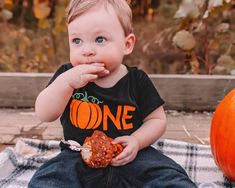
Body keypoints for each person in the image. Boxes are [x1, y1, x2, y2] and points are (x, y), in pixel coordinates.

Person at [28, 0, 197, 187]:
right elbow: (44, 113)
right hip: (78, 154)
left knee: (168, 176)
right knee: (48, 179)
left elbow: (156, 120)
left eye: (100, 39)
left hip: (131, 155)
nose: (87, 50)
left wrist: (136, 141)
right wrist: (66, 83)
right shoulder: (67, 76)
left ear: (127, 44)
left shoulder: (137, 80)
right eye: (77, 41)